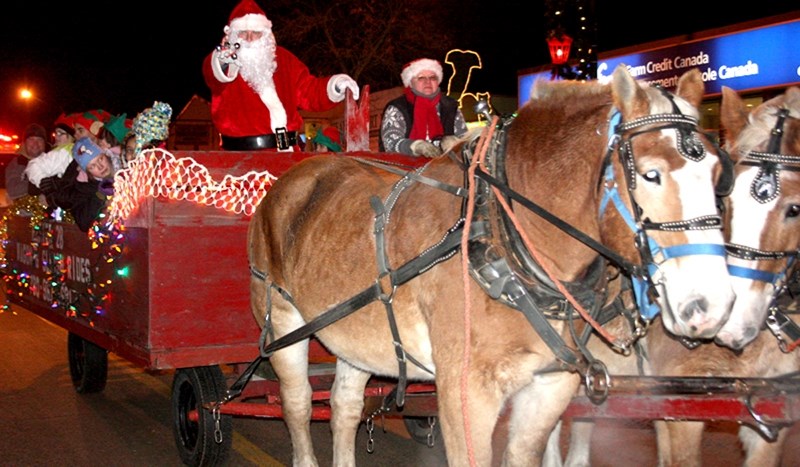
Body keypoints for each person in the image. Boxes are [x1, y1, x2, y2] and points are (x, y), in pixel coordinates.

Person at [203, 0, 360, 152]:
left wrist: (336, 85)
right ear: (233, 36)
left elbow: (309, 91)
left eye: (256, 33)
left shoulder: (284, 60)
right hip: (242, 161)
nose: (250, 38)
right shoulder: (226, 63)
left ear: (266, 35)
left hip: (288, 156)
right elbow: (213, 75)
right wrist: (222, 62)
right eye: (243, 33)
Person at [379, 58, 468, 157]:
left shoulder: (450, 106)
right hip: (404, 167)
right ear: (410, 83)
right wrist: (415, 146)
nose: (428, 82)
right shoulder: (397, 107)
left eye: (433, 78)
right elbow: (390, 142)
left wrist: (456, 143)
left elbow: (464, 139)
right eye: (421, 78)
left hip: (444, 166)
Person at [39, 137, 116, 232]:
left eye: (100, 159)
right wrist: (99, 195)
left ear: (106, 155)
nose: (100, 167)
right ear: (87, 171)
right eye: (92, 166)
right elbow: (84, 223)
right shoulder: (82, 189)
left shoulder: (127, 167)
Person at [6, 123, 49, 201]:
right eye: (31, 139)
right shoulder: (17, 163)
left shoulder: (53, 161)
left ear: (45, 143)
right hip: (22, 212)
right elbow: (13, 189)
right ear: (24, 143)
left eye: (39, 139)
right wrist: (41, 185)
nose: (35, 144)